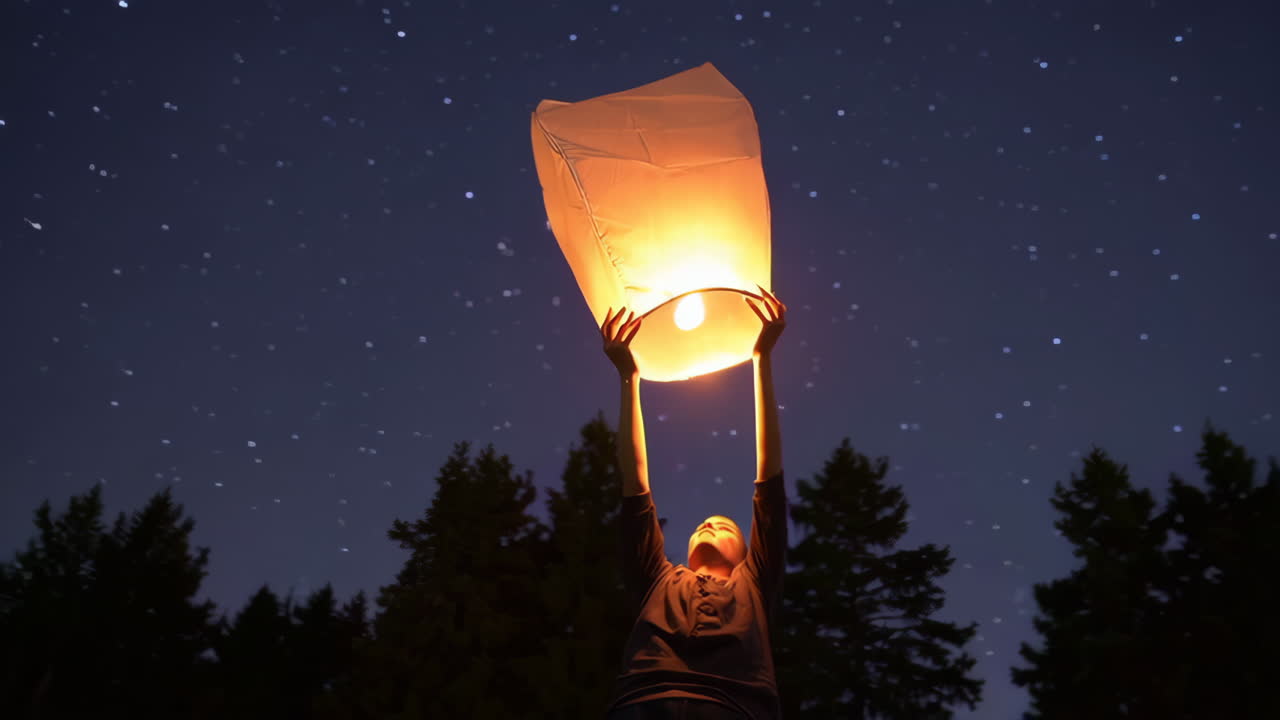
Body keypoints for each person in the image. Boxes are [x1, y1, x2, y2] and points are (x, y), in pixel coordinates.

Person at [603, 286, 789, 720]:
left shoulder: (753, 584)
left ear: (747, 551)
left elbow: (770, 478)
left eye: (725, 526)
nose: (710, 525)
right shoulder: (658, 579)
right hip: (642, 706)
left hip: (733, 708)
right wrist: (628, 377)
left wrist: (762, 359)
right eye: (705, 523)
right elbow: (635, 485)